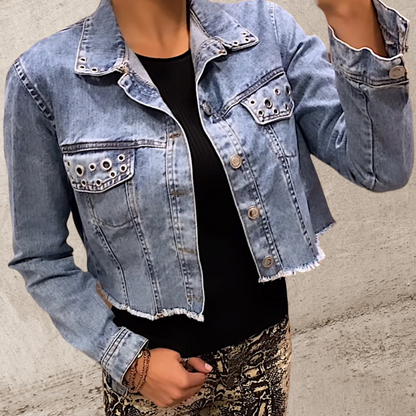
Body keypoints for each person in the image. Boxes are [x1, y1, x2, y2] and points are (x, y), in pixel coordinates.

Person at [3, 0, 413, 415]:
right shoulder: (44, 78)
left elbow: (380, 168)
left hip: (264, 360)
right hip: (152, 385)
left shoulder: (263, 29)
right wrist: (129, 361)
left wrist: (350, 12)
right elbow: (41, 258)